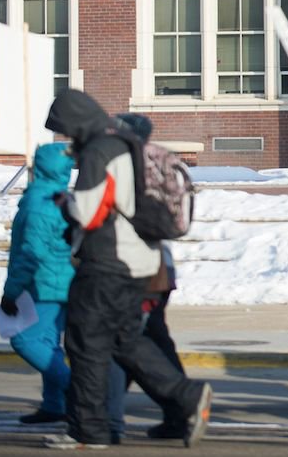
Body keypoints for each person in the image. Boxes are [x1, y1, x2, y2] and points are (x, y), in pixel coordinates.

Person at [42, 89, 211, 450]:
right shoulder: (126, 143)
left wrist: (65, 203)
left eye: (66, 129)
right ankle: (187, 394)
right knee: (123, 339)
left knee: (86, 344)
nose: (68, 137)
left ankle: (90, 431)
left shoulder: (99, 150)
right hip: (141, 261)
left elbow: (88, 212)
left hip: (108, 262)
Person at [105, 112, 190, 444]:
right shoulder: (159, 161)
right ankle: (180, 410)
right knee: (149, 340)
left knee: (123, 342)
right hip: (159, 265)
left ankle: (107, 416)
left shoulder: (126, 163)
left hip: (135, 265)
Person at [0, 143, 75, 426]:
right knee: (47, 343)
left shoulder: (39, 203)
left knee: (25, 341)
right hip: (58, 283)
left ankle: (76, 394)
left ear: (40, 168)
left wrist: (12, 292)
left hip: (43, 285)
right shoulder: (59, 197)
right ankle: (54, 405)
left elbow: (30, 253)